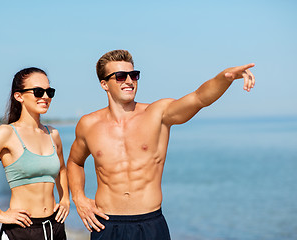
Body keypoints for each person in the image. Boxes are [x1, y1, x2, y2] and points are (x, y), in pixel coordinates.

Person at [67, 49, 255, 240]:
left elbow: (199, 98)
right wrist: (79, 198)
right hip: (106, 225)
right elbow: (75, 162)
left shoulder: (158, 113)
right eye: (121, 76)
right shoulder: (88, 124)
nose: (129, 81)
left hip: (150, 224)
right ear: (104, 84)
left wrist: (226, 77)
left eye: (134, 75)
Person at [0, 67, 69, 240]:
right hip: (21, 230)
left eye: (50, 91)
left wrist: (65, 200)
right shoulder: (7, 133)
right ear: (19, 96)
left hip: (54, 226)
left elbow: (62, 169)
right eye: (39, 91)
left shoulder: (53, 134)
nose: (46, 97)